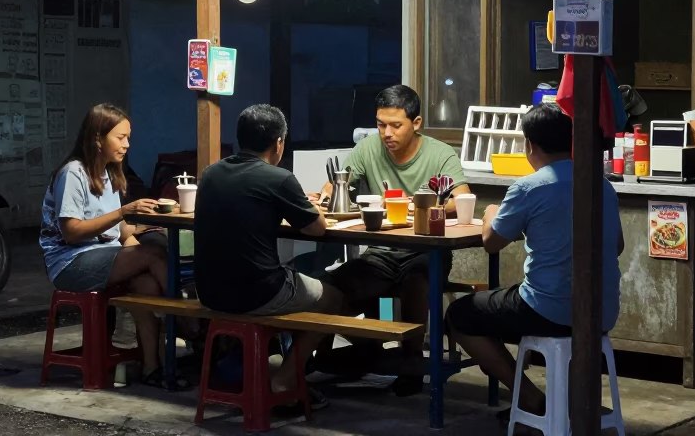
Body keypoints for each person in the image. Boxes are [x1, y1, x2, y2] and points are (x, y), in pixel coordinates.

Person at [445, 102, 624, 419]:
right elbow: (618, 245)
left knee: (459, 314)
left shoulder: (529, 187)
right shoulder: (601, 184)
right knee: (500, 304)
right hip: (602, 310)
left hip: (548, 310)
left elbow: (491, 243)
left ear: (529, 145)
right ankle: (565, 404)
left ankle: (531, 401)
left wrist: (491, 213)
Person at [316, 85, 470, 390]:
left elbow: (461, 198)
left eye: (396, 125)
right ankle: (337, 356)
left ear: (416, 123)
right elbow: (337, 185)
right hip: (381, 253)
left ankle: (411, 365)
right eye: (380, 124)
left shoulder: (439, 153)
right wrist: (325, 194)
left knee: (416, 281)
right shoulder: (368, 149)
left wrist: (418, 204)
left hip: (427, 252)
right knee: (328, 289)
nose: (387, 133)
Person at [194, 104, 342, 408]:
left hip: (209, 292)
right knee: (332, 297)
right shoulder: (279, 178)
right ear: (279, 143)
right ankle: (286, 379)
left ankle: (281, 369)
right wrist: (310, 205)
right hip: (258, 294)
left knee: (293, 277)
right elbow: (316, 228)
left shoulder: (210, 174)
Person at [39, 104, 171, 388]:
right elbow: (72, 232)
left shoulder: (109, 173)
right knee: (155, 253)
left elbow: (119, 232)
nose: (127, 144)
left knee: (147, 280)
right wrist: (124, 213)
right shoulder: (73, 173)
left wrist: (140, 235)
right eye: (120, 137)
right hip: (70, 262)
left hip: (103, 255)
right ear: (98, 138)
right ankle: (192, 327)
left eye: (128, 137)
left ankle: (152, 368)